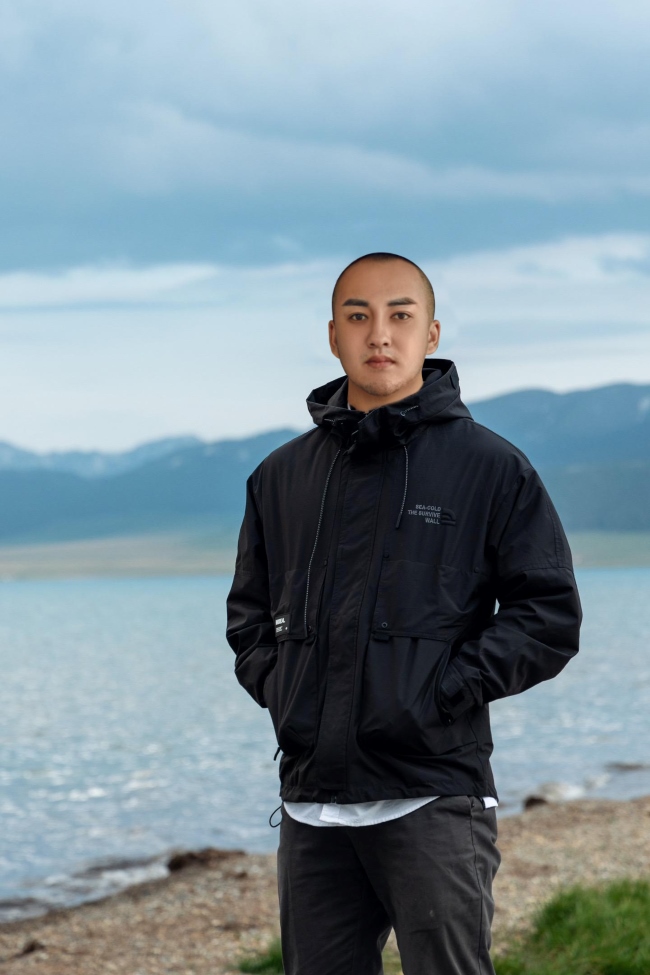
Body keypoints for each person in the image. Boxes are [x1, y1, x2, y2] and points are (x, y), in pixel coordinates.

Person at [226, 252, 582, 975]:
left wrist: (438, 694)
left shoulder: (490, 467)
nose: (379, 334)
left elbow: (547, 616)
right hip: (312, 805)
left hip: (432, 795)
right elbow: (250, 618)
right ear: (334, 335)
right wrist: (285, 692)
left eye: (400, 315)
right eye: (358, 316)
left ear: (431, 333)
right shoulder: (279, 477)